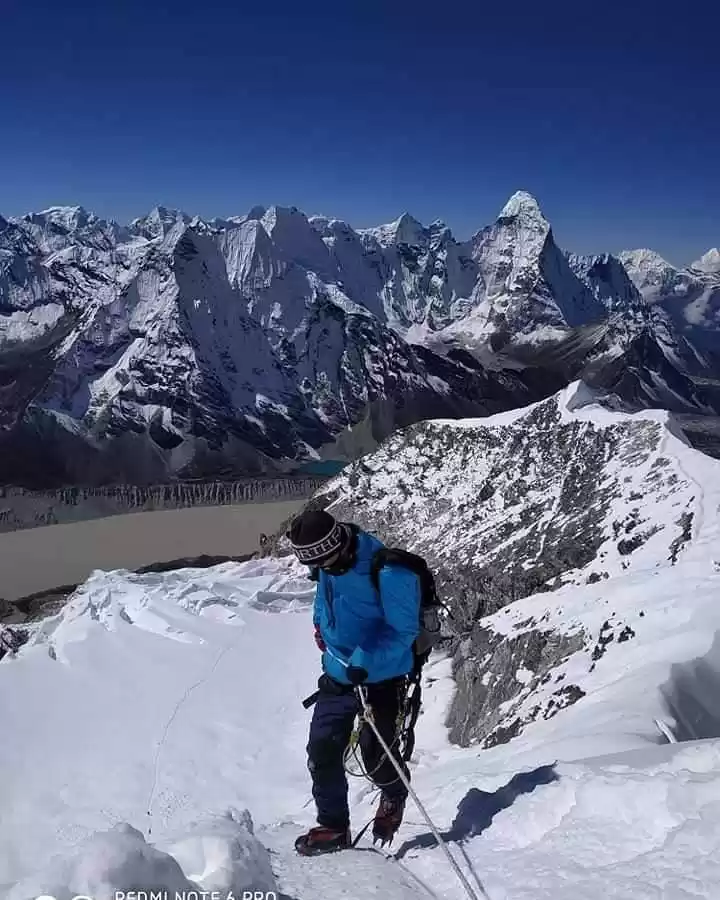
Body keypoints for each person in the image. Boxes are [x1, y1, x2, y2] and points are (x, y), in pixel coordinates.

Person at [288, 509, 421, 855]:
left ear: (339, 545)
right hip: (338, 673)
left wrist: (364, 661)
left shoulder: (388, 570)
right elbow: (324, 600)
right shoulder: (327, 564)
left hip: (382, 677)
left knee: (375, 753)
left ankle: (394, 792)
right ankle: (334, 826)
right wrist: (321, 627)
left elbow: (403, 630)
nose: (321, 569)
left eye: (324, 561)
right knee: (322, 750)